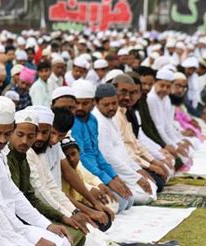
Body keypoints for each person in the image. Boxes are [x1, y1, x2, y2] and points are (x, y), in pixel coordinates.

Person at [0, 96, 72, 246]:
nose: (2, 140)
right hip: (0, 229)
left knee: (63, 244)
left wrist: (47, 225)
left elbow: (16, 196)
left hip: (15, 227)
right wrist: (27, 244)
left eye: (7, 134)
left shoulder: (2, 153)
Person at [7, 109, 86, 246]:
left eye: (30, 136)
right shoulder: (5, 156)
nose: (25, 141)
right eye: (20, 135)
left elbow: (30, 197)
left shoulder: (24, 155)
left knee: (76, 236)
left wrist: (63, 217)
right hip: (9, 223)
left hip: (27, 217)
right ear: (11, 132)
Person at [71, 82, 135, 212]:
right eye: (77, 103)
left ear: (93, 102)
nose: (80, 107)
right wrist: (105, 180)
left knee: (129, 199)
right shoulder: (73, 123)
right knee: (120, 203)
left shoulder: (93, 120)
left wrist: (114, 177)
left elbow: (97, 152)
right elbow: (81, 158)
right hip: (85, 175)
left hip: (98, 172)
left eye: (85, 103)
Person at [92, 84, 157, 204]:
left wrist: (138, 171)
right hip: (113, 173)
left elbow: (123, 151)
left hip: (125, 171)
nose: (111, 107)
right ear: (96, 102)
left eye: (114, 103)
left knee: (152, 186)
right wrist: (136, 178)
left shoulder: (109, 118)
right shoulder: (99, 122)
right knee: (142, 196)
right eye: (106, 105)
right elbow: (108, 158)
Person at [112, 74, 169, 191]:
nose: (127, 97)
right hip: (123, 165)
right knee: (155, 185)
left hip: (133, 162)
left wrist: (154, 162)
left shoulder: (124, 111)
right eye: (123, 92)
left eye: (131, 93)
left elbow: (136, 142)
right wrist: (148, 166)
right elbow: (122, 151)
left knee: (161, 176)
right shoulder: (113, 115)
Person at [60, 136, 119, 214]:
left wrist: (101, 183)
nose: (71, 159)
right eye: (66, 156)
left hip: (84, 196)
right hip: (70, 206)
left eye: (73, 154)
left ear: (79, 152)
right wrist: (90, 209)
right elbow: (66, 198)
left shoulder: (78, 169)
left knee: (115, 203)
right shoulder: (61, 172)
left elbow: (88, 175)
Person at [147, 69, 192, 160]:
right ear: (155, 82)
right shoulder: (151, 98)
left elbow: (167, 125)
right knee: (176, 160)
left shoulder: (166, 98)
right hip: (155, 140)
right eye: (162, 85)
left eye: (168, 87)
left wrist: (177, 142)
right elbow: (158, 127)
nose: (164, 89)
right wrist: (172, 146)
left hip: (164, 139)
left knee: (188, 152)